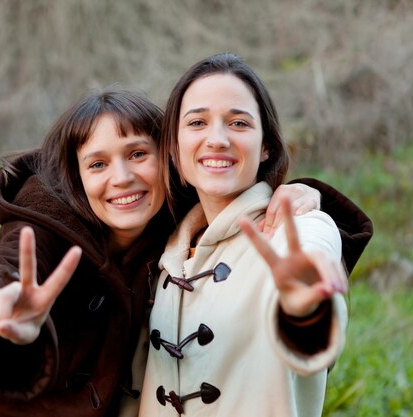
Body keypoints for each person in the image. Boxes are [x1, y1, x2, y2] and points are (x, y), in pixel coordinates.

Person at [0, 87, 371, 416]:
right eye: (97, 164)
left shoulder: (176, 232)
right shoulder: (48, 231)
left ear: (167, 160)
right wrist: (4, 316)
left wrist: (304, 191)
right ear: (76, 179)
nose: (121, 178)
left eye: (137, 154)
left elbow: (229, 184)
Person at [137, 53, 366, 416]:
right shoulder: (163, 253)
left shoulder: (300, 229)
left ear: (266, 146)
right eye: (197, 122)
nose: (217, 139)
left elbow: (313, 280)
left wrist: (305, 307)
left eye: (238, 123)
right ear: (174, 150)